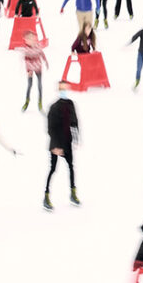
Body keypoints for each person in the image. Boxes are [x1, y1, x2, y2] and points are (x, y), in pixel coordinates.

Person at [43, 81, 79, 210]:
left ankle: (73, 193)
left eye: (66, 88)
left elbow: (75, 122)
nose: (64, 91)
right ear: (58, 90)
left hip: (67, 141)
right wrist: (56, 147)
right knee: (53, 169)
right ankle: (46, 196)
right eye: (62, 89)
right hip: (56, 143)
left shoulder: (70, 104)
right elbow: (50, 129)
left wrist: (76, 138)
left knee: (71, 167)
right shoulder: (53, 107)